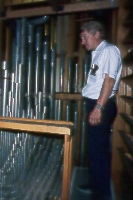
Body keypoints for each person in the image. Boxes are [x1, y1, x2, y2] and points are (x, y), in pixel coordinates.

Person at [78, 20, 122, 199]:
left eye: (85, 37)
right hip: (96, 104)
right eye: (81, 38)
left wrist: (98, 107)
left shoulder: (109, 51)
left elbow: (109, 81)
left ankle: (101, 194)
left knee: (99, 152)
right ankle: (94, 184)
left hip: (101, 105)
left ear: (97, 34)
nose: (82, 42)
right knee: (94, 151)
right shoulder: (97, 53)